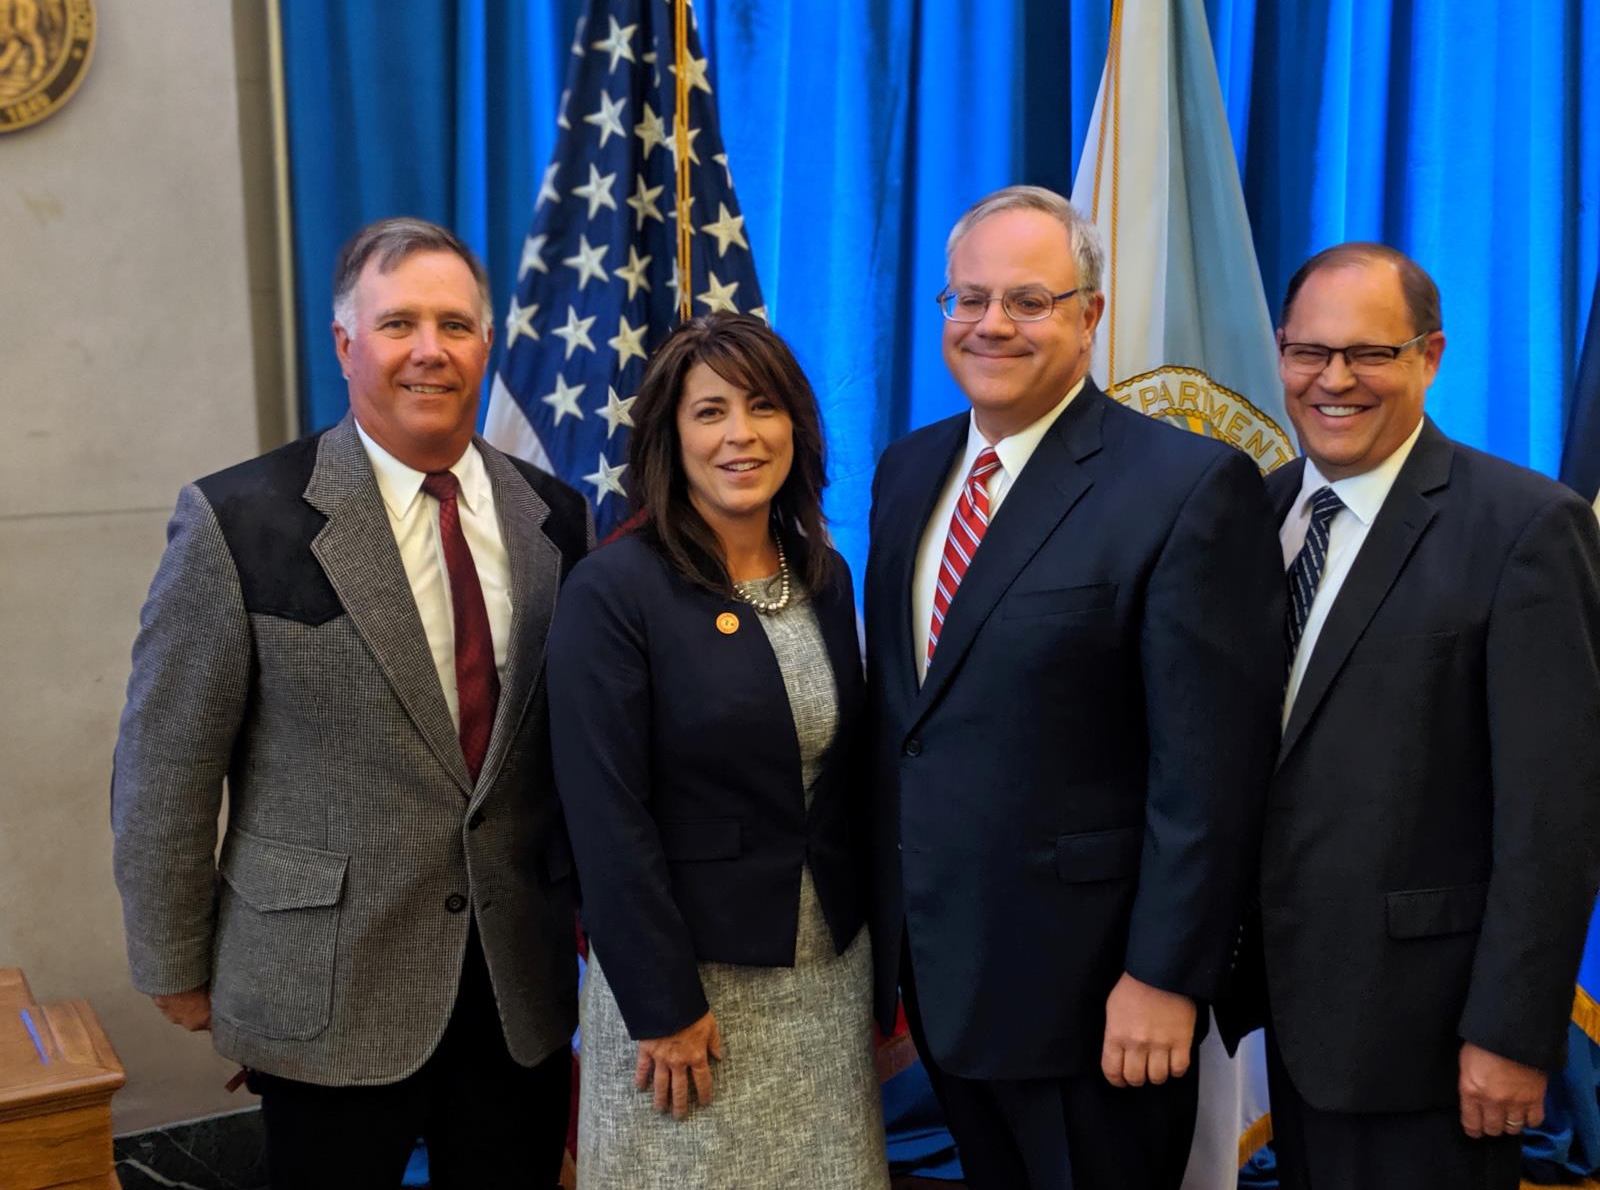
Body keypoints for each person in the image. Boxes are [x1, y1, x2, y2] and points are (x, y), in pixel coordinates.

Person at [111, 218, 590, 1189]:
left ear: (485, 344)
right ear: (344, 344)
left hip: (517, 984)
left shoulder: (556, 516)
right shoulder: (238, 519)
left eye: (454, 325)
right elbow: (164, 766)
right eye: (398, 323)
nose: (428, 351)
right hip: (324, 986)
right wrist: (174, 959)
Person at [863, 185, 1285, 1190]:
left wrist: (1164, 978)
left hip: (1099, 1000)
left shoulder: (1184, 486)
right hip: (944, 977)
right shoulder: (908, 469)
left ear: (1089, 314)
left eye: (1027, 300)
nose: (990, 325)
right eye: (968, 300)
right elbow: (910, 726)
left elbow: (1209, 773)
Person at [1216, 242, 1600, 1188]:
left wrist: (1512, 1034)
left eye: (1370, 354)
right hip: (1284, 1022)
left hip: (1432, 1040)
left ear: (1429, 356)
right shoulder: (1249, 518)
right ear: (1279, 353)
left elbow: (1554, 817)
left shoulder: (1525, 528)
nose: (1333, 380)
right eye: (1310, 352)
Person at [546, 312, 888, 1188]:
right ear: (670, 435)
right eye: (710, 412)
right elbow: (604, 815)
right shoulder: (614, 589)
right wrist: (662, 1004)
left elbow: (845, 779)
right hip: (689, 989)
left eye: (764, 406)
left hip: (826, 976)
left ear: (797, 428)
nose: (741, 434)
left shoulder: (824, 571)